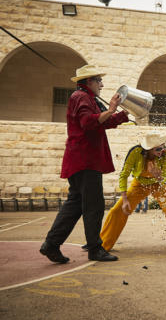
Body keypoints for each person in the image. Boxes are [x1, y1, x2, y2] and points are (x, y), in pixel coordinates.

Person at [40, 65, 129, 263]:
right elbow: (88, 123)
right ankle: (95, 249)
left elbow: (103, 122)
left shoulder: (86, 98)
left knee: (75, 205)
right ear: (89, 81)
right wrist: (113, 109)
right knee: (93, 206)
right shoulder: (81, 97)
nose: (102, 84)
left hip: (82, 160)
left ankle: (51, 245)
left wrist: (122, 115)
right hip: (85, 160)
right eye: (99, 81)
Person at [99, 132, 166, 255]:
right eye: (158, 149)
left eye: (163, 146)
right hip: (139, 184)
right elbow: (124, 175)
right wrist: (124, 200)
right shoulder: (135, 152)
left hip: (159, 185)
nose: (162, 150)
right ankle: (102, 243)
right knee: (116, 210)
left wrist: (158, 176)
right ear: (149, 149)